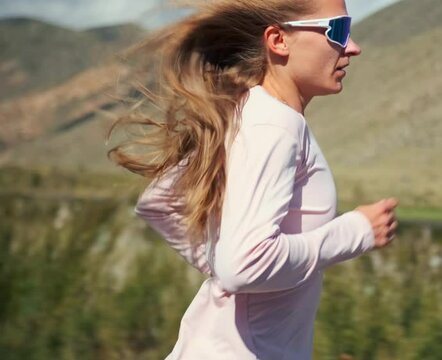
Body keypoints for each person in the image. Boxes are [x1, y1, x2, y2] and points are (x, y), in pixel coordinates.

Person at [107, 0, 398, 358]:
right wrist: (354, 232)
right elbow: (244, 265)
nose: (353, 47)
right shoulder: (274, 126)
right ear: (278, 40)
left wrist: (227, 269)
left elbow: (162, 203)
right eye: (337, 31)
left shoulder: (252, 113)